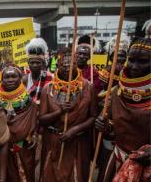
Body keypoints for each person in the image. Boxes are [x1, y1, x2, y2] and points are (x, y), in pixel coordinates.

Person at [95, 37, 151, 181]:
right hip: (118, 161)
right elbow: (115, 129)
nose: (134, 66)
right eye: (131, 60)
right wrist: (105, 126)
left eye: (143, 61)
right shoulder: (116, 92)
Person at [38, 47, 97, 182]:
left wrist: (74, 130)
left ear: (77, 65)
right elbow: (41, 119)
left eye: (71, 65)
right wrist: (60, 111)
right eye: (63, 65)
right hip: (53, 141)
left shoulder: (89, 87)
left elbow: (93, 116)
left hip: (77, 142)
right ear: (58, 66)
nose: (67, 68)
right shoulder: (48, 89)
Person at [96, 33, 130, 182]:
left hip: (126, 120)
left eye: (123, 57)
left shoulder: (131, 72)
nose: (120, 60)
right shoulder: (108, 70)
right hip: (108, 114)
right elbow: (102, 92)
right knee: (106, 159)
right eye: (117, 56)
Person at [0, 64, 38, 181]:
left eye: (14, 76)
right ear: (2, 79)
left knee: (27, 173)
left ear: (20, 78)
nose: (10, 80)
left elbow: (35, 121)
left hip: (25, 146)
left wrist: (34, 135)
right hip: (4, 146)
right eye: (7, 77)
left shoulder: (30, 101)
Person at [24, 38, 53, 104]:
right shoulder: (24, 79)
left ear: (42, 63)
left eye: (38, 62)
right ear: (28, 63)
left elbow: (51, 99)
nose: (35, 65)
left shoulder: (49, 77)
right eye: (32, 62)